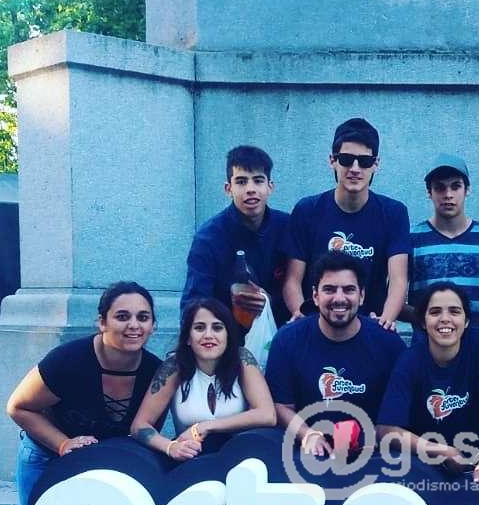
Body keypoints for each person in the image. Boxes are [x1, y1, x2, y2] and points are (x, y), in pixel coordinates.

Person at [7, 282, 163, 505]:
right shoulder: (67, 361)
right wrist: (63, 444)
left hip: (102, 463)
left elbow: (145, 433)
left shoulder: (156, 373)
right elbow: (18, 407)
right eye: (122, 317)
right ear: (102, 322)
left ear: (153, 326)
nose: (134, 325)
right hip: (46, 456)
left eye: (143, 317)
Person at [267, 254, 404, 456]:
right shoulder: (287, 340)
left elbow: (398, 413)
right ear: (315, 296)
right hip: (307, 451)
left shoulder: (389, 344)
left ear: (362, 296)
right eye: (329, 289)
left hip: (373, 453)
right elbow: (281, 406)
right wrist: (307, 434)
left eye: (349, 290)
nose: (339, 298)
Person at [378, 283, 479, 494]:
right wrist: (441, 451)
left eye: (454, 311)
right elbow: (386, 430)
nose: (445, 319)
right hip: (425, 467)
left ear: (466, 321)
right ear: (423, 322)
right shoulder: (410, 360)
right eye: (435, 312)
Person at [282, 118, 409, 328]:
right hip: (316, 324)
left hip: (370, 325)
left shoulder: (394, 213)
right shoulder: (307, 210)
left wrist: (386, 320)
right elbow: (292, 280)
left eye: (364, 161)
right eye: (346, 159)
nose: (355, 168)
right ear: (332, 160)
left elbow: (398, 280)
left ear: (376, 164)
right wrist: (300, 316)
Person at [130, 299, 275, 462]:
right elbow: (139, 426)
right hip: (192, 459)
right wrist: (170, 447)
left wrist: (205, 427)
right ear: (188, 338)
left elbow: (267, 414)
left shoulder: (242, 359)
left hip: (240, 457)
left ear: (228, 334)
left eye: (217, 328)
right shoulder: (174, 367)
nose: (208, 335)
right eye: (199, 328)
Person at [181, 145, 290, 328]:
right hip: (226, 335)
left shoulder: (287, 227)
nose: (250, 189)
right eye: (241, 182)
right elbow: (194, 304)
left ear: (270, 187)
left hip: (281, 332)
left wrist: (269, 301)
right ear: (228, 188)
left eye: (258, 181)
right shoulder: (208, 238)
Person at [408, 155, 479, 337]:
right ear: (429, 192)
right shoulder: (412, 239)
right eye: (440, 187)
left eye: (455, 186)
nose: (448, 195)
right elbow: (394, 300)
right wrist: (426, 318)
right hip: (428, 347)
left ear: (467, 190)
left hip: (478, 347)